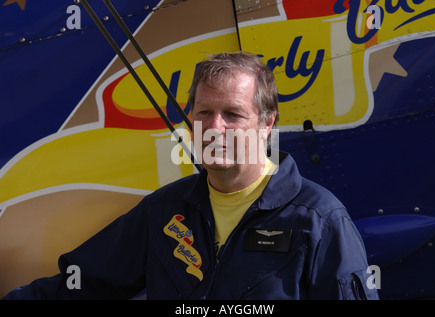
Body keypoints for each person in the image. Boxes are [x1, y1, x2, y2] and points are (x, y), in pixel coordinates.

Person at [3, 52, 378, 300]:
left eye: (233, 114)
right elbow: (79, 286)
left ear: (267, 124)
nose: (215, 127)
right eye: (204, 113)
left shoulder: (319, 221)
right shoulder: (163, 212)